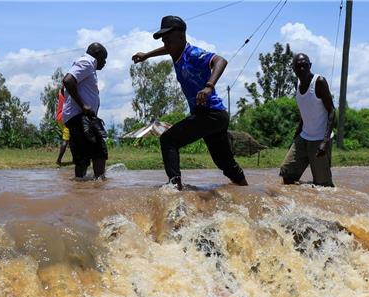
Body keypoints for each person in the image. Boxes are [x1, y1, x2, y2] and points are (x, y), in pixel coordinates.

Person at [132, 16, 247, 190]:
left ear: (181, 35)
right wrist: (147, 55)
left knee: (168, 140)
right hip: (213, 116)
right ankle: (245, 190)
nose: (165, 42)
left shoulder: (193, 54)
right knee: (224, 162)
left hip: (211, 113)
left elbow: (220, 61)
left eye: (167, 38)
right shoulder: (175, 52)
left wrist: (209, 86)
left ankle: (174, 188)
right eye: (163, 38)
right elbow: (165, 50)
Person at [280, 53, 336, 187]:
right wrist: (295, 137)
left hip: (319, 140)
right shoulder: (297, 84)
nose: (302, 69)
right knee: (287, 173)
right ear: (293, 69)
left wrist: (325, 141)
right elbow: (304, 114)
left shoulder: (319, 82)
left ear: (310, 65)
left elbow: (332, 111)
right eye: (298, 66)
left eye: (304, 65)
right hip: (303, 137)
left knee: (323, 186)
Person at [62, 43, 109, 179]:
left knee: (82, 156)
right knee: (99, 152)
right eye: (104, 59)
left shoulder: (86, 65)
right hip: (81, 116)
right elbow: (68, 81)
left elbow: (66, 86)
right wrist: (83, 105)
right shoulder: (87, 63)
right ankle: (99, 184)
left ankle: (81, 188)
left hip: (78, 117)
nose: (105, 63)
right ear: (98, 55)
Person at [55, 89, 70, 167]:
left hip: (59, 118)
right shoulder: (69, 93)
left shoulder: (60, 92)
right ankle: (58, 160)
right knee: (66, 140)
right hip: (66, 118)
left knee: (70, 138)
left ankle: (76, 158)